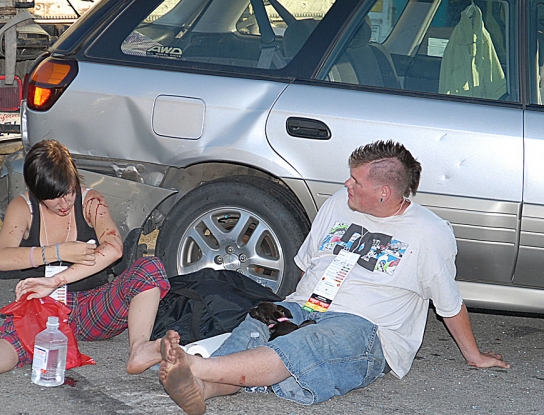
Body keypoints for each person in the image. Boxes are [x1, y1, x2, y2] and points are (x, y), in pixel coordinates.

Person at [157, 140, 510, 415]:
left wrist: (474, 355)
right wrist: (291, 310)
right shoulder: (340, 203)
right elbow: (308, 264)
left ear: (384, 193)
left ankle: (196, 366)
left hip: (365, 328)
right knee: (257, 325)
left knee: (301, 345)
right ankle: (203, 387)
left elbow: (449, 303)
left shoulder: (429, 234)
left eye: (356, 180)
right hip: (309, 306)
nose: (347, 184)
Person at [0, 140, 170, 385]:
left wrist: (55, 280)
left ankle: (140, 349)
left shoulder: (91, 202)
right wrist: (59, 252)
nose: (64, 204)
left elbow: (114, 249)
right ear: (36, 193)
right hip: (45, 305)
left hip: (92, 305)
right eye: (54, 198)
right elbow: (0, 259)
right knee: (19, 333)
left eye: (69, 192)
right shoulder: (23, 207)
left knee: (149, 267)